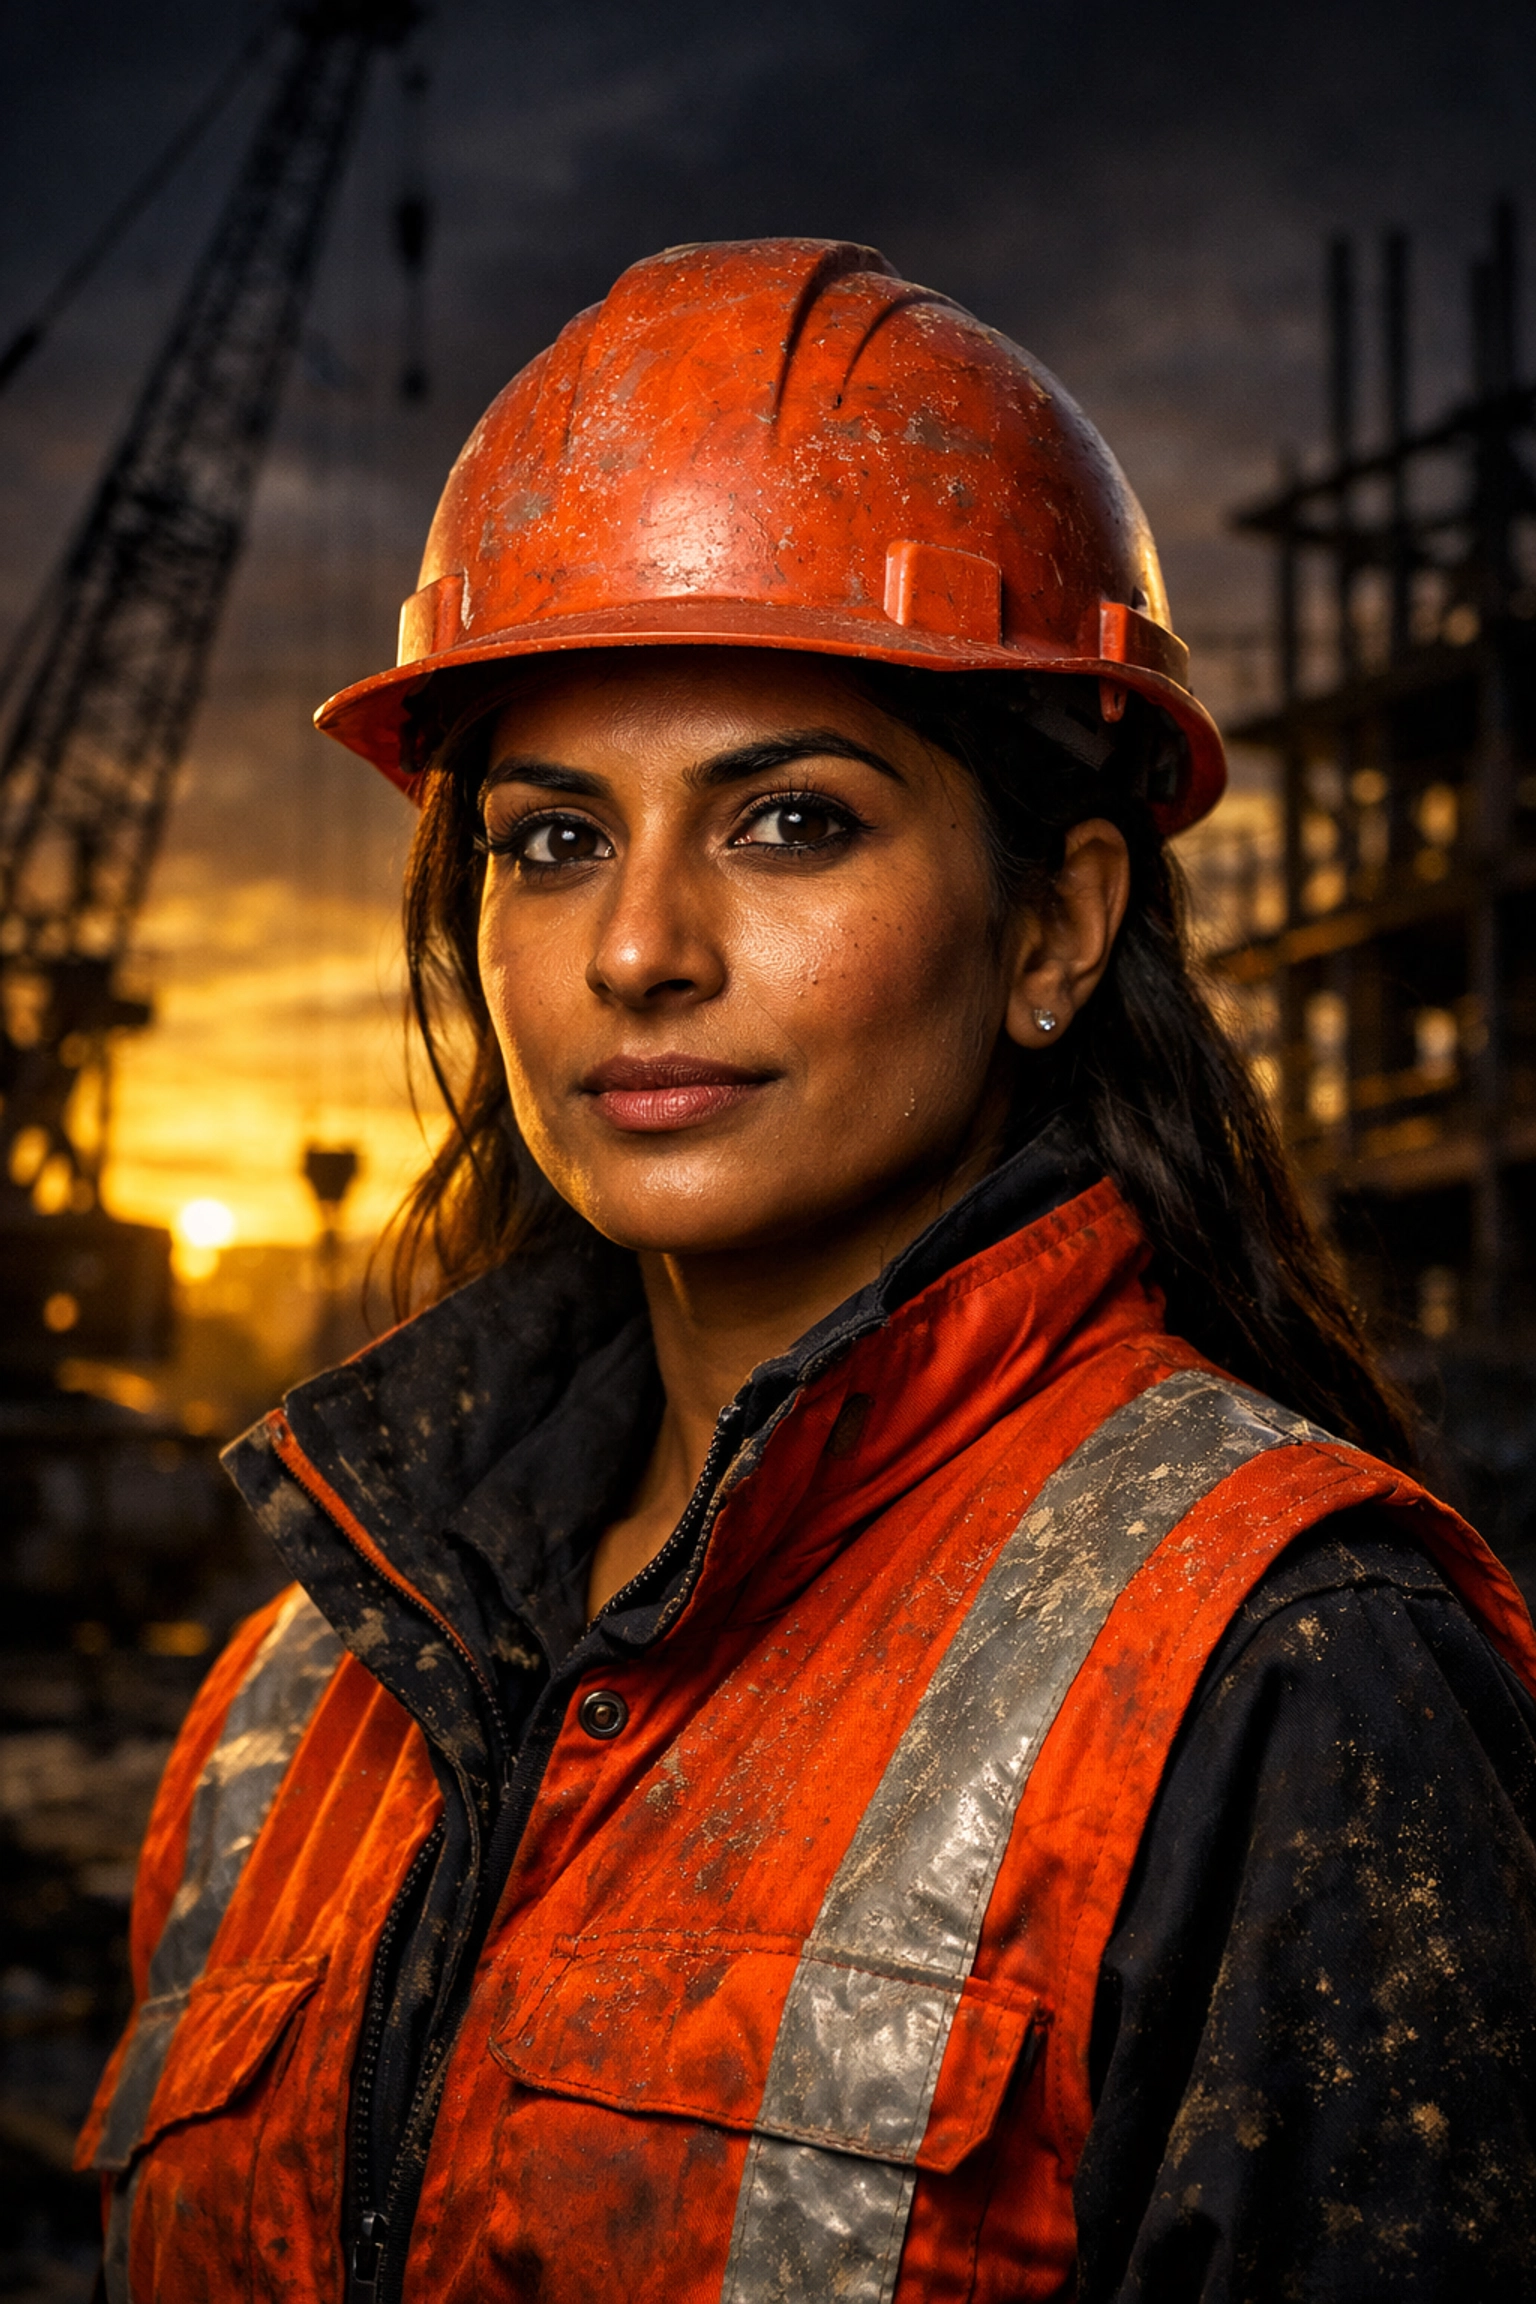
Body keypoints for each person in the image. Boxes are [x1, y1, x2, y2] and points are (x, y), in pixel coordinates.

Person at [79, 239, 1536, 2304]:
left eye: (788, 823)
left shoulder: (1285, 1678)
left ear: (1055, 927)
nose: (637, 949)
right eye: (552, 840)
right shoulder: (293, 1694)